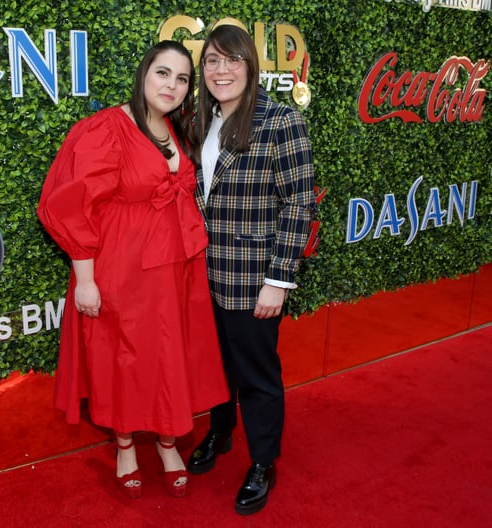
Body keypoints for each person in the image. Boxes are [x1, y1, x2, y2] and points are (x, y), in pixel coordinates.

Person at [37, 40, 229, 500]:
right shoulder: (104, 129)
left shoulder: (176, 130)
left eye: (182, 78)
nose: (172, 85)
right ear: (144, 73)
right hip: (122, 269)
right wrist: (85, 280)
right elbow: (69, 205)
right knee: (122, 359)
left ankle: (167, 444)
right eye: (163, 73)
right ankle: (125, 446)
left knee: (169, 356)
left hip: (176, 270)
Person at [187, 25, 316, 515]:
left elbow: (298, 204)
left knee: (258, 376)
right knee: (216, 366)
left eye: (232, 60)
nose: (222, 71)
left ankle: (263, 461)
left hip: (253, 279)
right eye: (213, 63)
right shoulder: (203, 120)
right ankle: (220, 432)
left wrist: (278, 281)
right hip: (204, 275)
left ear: (251, 66)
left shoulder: (281, 120)